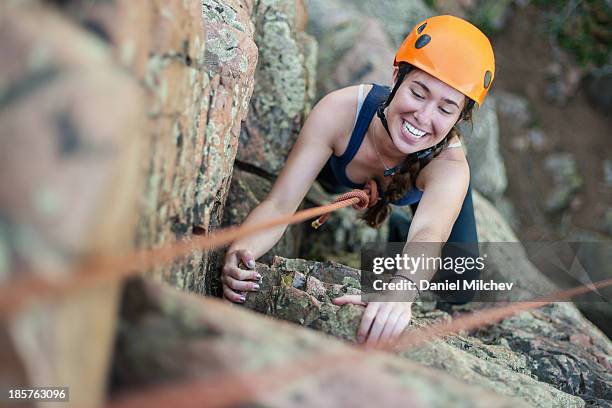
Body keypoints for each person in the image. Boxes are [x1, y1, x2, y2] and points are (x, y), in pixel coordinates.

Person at [221, 15, 495, 346]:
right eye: (418, 93)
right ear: (397, 76)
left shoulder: (448, 166)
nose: (423, 117)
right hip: (338, 175)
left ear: (459, 118)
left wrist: (401, 290)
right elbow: (280, 203)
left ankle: (398, 233)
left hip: (419, 188)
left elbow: (428, 233)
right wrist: (243, 250)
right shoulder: (341, 113)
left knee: (462, 280)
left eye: (445, 108)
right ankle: (394, 230)